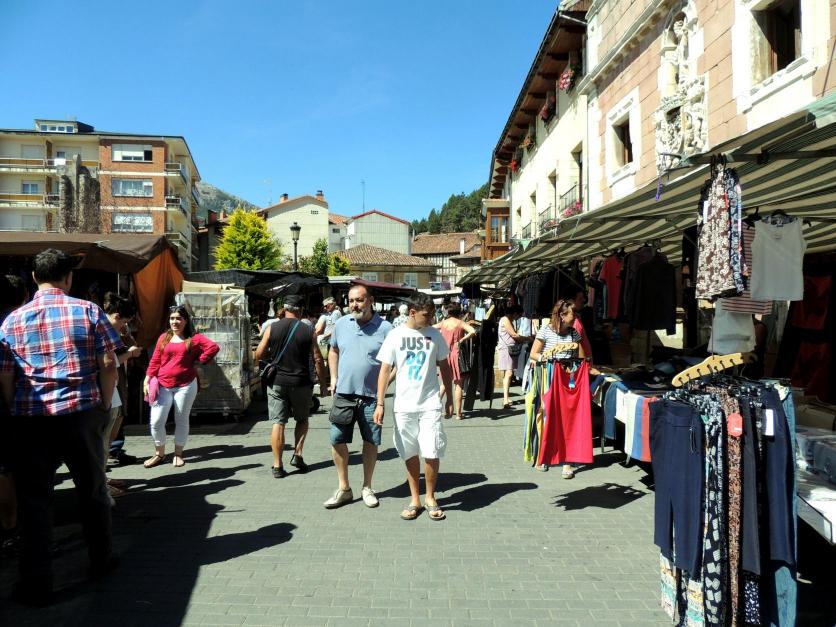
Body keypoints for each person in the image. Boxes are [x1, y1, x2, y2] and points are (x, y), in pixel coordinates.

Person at [0, 249, 121, 605]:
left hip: (31, 419)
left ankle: (37, 582)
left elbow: (5, 378)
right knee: (92, 491)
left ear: (34, 278)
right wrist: (104, 402)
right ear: (68, 278)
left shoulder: (11, 321)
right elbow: (108, 363)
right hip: (81, 414)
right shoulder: (88, 311)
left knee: (35, 501)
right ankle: (101, 560)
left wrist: (13, 409)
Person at [376, 293, 454, 521]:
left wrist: (449, 397)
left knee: (431, 450)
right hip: (403, 405)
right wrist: (380, 402)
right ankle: (415, 499)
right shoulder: (395, 335)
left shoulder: (435, 335)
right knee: (409, 452)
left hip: (430, 403)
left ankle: (430, 497)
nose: (431, 319)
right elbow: (385, 370)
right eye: (426, 315)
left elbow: (445, 366)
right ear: (412, 313)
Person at [324, 285, 392, 509]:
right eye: (351, 300)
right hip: (344, 393)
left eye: (359, 300)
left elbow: (395, 363)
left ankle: (367, 487)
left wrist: (383, 388)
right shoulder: (342, 324)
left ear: (370, 300)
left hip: (372, 398)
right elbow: (333, 350)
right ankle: (344, 488)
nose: (354, 305)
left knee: (370, 442)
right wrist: (333, 377)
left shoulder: (386, 328)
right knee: (336, 439)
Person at [254, 294, 326, 478]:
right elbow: (318, 359)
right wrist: (324, 385)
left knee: (278, 422)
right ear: (300, 310)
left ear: (285, 308)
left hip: (277, 382)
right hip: (301, 382)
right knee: (302, 419)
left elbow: (258, 354)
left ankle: (277, 465)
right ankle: (297, 454)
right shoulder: (308, 330)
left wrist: (272, 354)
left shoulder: (271, 328)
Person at [143, 305, 219, 469]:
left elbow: (213, 347)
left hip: (186, 385)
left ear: (185, 321)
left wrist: (200, 360)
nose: (175, 322)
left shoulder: (194, 338)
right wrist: (147, 379)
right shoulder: (163, 337)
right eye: (172, 318)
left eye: (179, 318)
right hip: (163, 384)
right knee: (156, 421)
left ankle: (178, 454)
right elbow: (155, 360)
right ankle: (159, 453)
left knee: (181, 419)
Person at [529, 299, 586, 478]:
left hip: (567, 378)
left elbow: (581, 356)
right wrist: (546, 359)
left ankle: (567, 462)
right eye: (573, 315)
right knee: (546, 416)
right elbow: (533, 353)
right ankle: (544, 456)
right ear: (562, 315)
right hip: (549, 376)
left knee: (566, 419)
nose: (575, 318)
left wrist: (579, 366)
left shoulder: (574, 333)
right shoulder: (546, 330)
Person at [100, 293, 142, 500]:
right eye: (124, 322)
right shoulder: (103, 329)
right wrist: (131, 354)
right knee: (103, 438)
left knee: (108, 435)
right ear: (117, 316)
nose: (124, 326)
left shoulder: (110, 329)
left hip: (112, 387)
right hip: (105, 389)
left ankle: (102, 478)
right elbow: (109, 362)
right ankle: (100, 484)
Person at [434, 303, 476, 420]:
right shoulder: (460, 323)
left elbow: (431, 328)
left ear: (448, 312)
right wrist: (462, 340)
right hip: (457, 355)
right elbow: (473, 331)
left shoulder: (443, 323)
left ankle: (434, 407)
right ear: (459, 312)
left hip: (445, 356)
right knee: (458, 384)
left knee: (444, 383)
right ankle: (458, 414)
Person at [497, 305, 528, 409]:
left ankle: (506, 397)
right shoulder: (505, 319)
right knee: (509, 373)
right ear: (515, 313)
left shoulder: (508, 320)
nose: (518, 318)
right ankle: (505, 399)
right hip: (506, 349)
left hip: (509, 349)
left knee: (508, 373)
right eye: (519, 315)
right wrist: (527, 338)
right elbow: (514, 335)